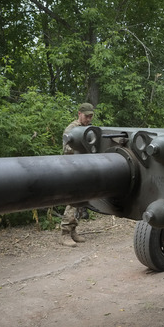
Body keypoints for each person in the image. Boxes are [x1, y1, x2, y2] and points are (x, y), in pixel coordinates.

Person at [60, 102, 94, 247]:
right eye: (87, 116)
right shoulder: (72, 129)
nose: (89, 119)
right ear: (79, 113)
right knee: (72, 201)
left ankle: (73, 231)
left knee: (80, 201)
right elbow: (68, 149)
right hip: (72, 168)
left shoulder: (87, 129)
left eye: (91, 116)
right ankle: (64, 234)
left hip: (83, 168)